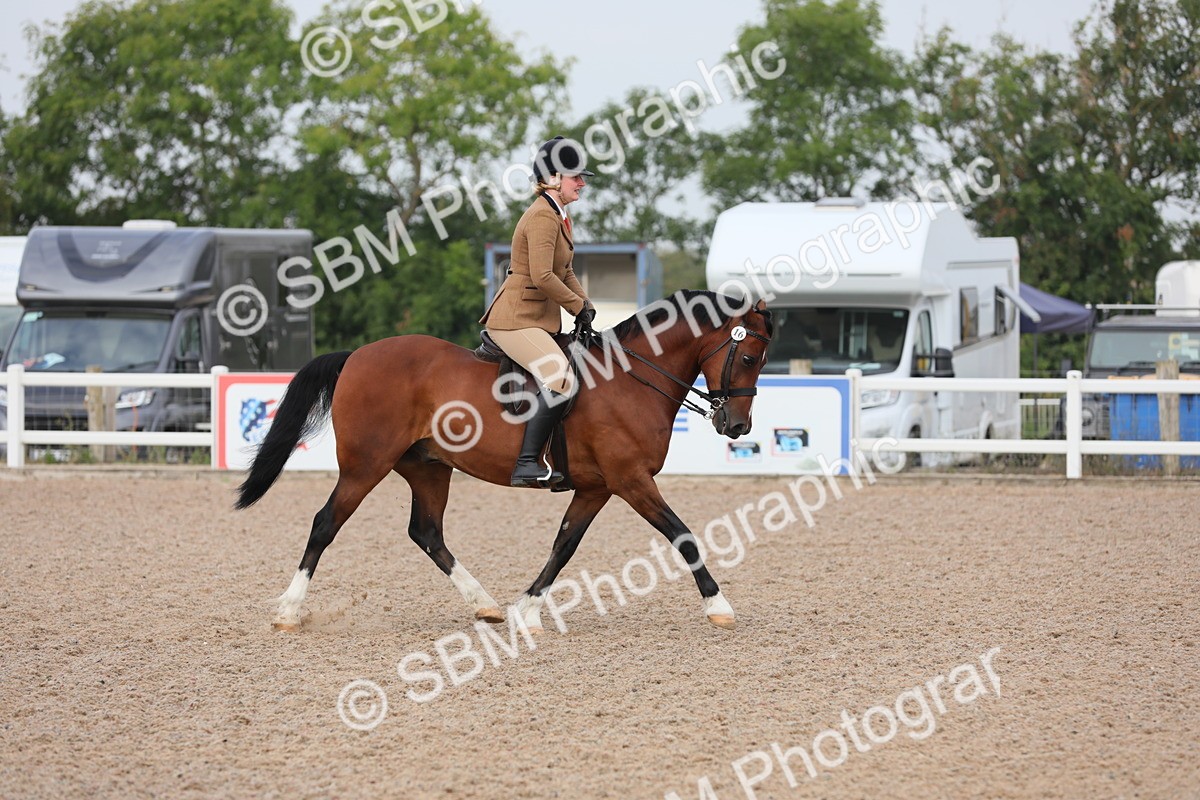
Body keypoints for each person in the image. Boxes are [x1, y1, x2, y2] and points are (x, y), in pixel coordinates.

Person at [480, 136, 596, 488]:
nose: (582, 183)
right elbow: (543, 276)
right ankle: (527, 463)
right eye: (576, 177)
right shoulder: (543, 216)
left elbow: (566, 272)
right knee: (560, 377)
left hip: (536, 320)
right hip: (515, 320)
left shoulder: (559, 215)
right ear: (554, 177)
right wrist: (576, 306)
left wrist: (586, 307)